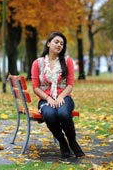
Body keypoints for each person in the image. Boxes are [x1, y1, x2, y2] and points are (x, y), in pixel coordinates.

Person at [31, 31, 85, 159]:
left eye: (62, 43)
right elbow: (35, 87)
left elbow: (70, 85)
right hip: (45, 99)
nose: (59, 45)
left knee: (63, 114)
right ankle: (63, 143)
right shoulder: (38, 63)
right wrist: (48, 98)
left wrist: (61, 97)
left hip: (64, 97)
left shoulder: (67, 61)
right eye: (56, 42)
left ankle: (73, 142)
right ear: (48, 43)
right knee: (49, 114)